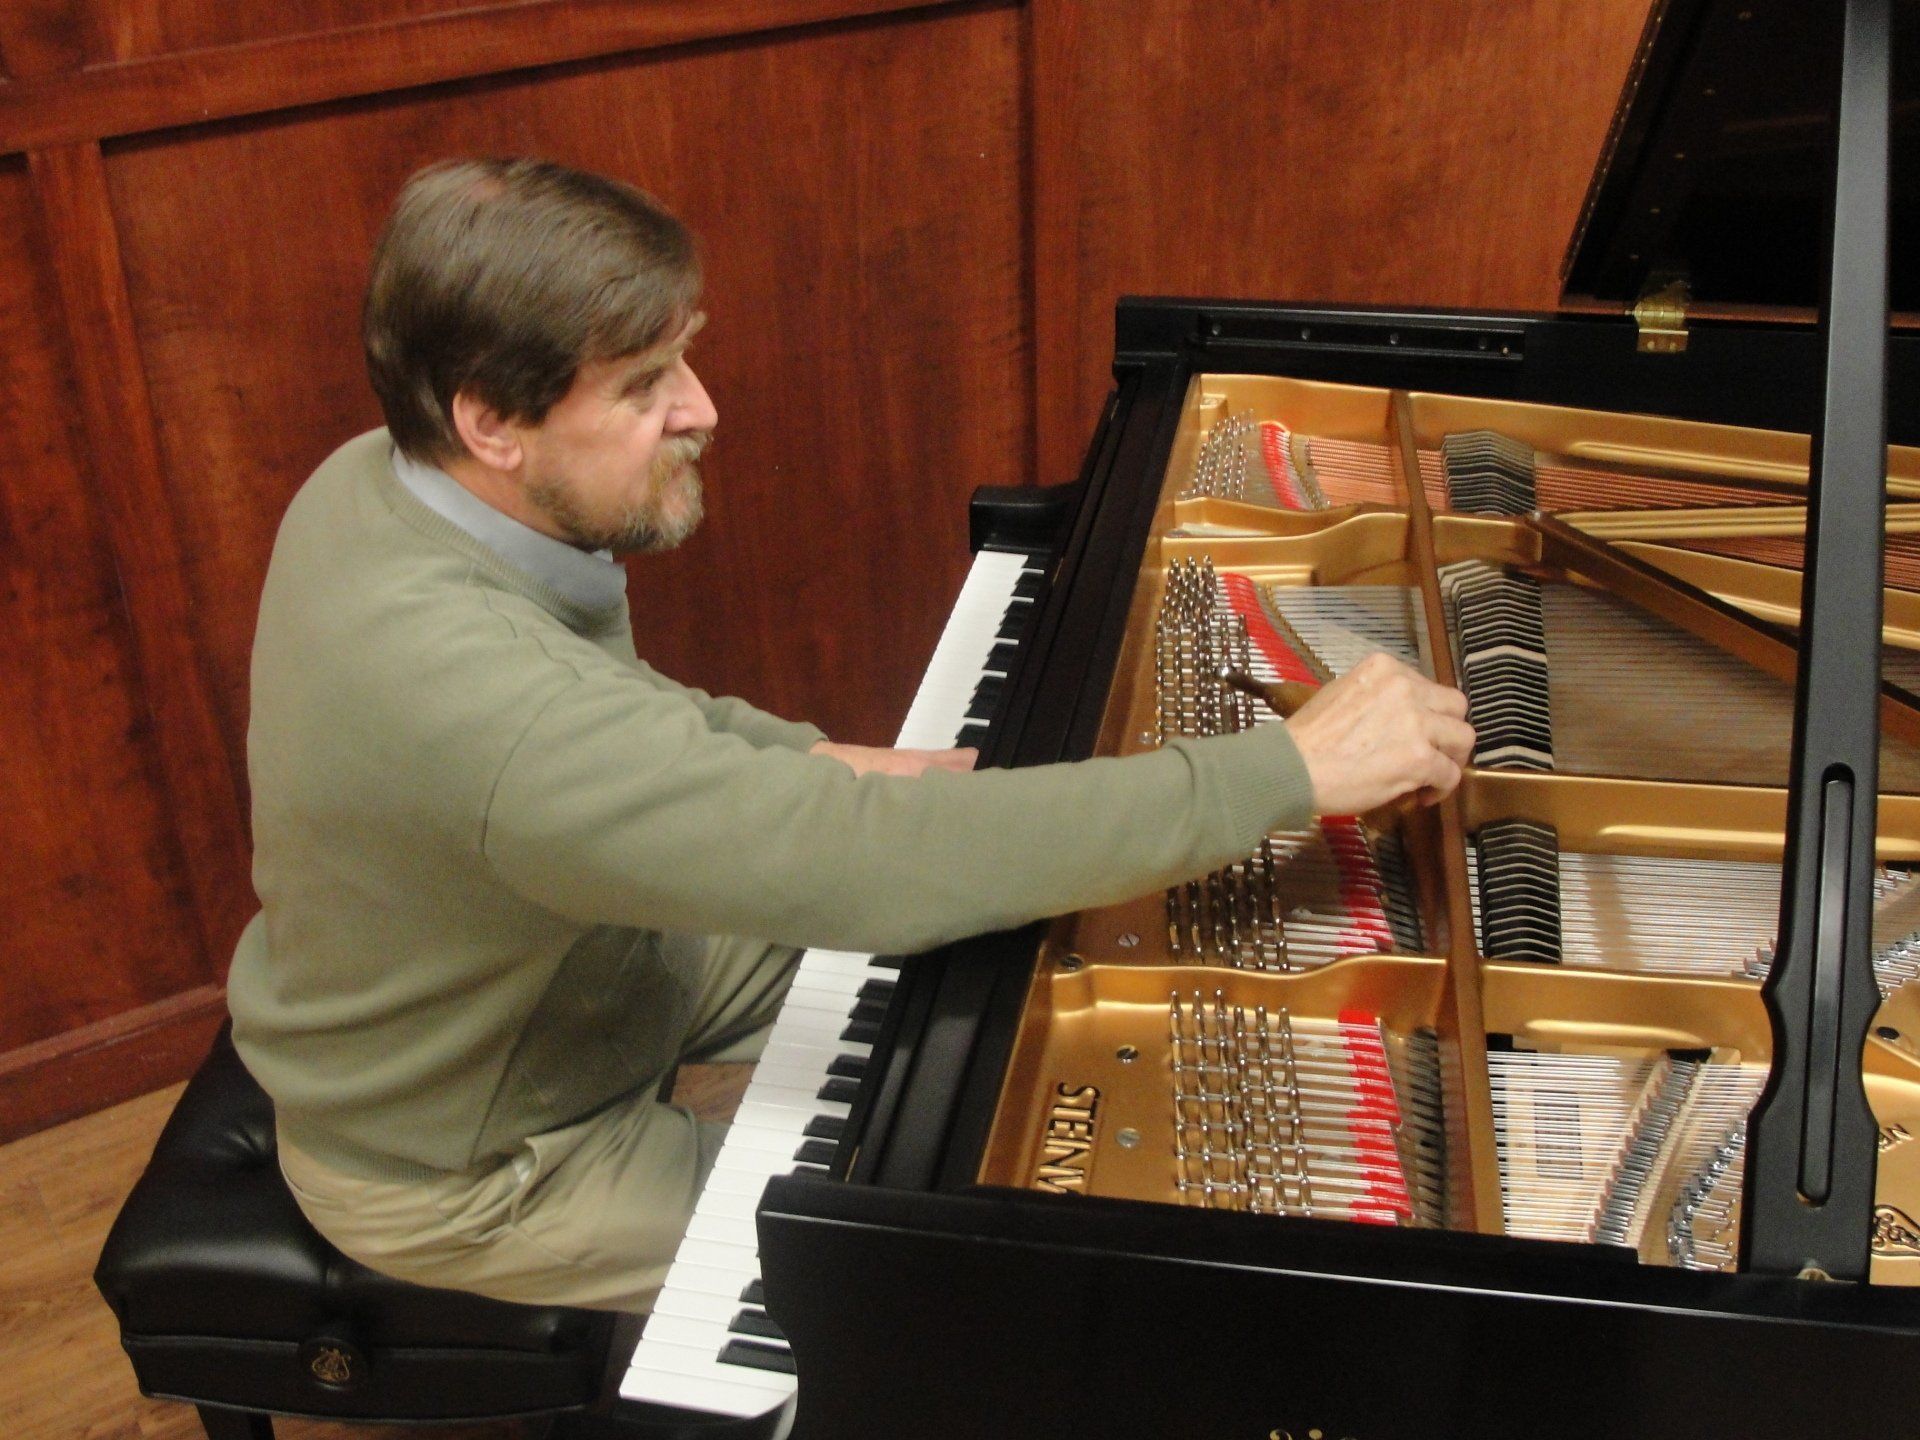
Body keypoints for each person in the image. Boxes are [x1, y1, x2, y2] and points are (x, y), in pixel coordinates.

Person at [226, 157, 1473, 1314]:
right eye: (645, 384)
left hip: (584, 964)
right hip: (480, 1151)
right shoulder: (488, 713)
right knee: (918, 1290)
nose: (701, 409)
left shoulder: (380, 479)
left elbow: (619, 717)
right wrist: (1288, 768)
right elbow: (858, 864)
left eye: (685, 359)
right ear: (491, 419)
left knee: (1020, 948)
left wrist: (815, 760)